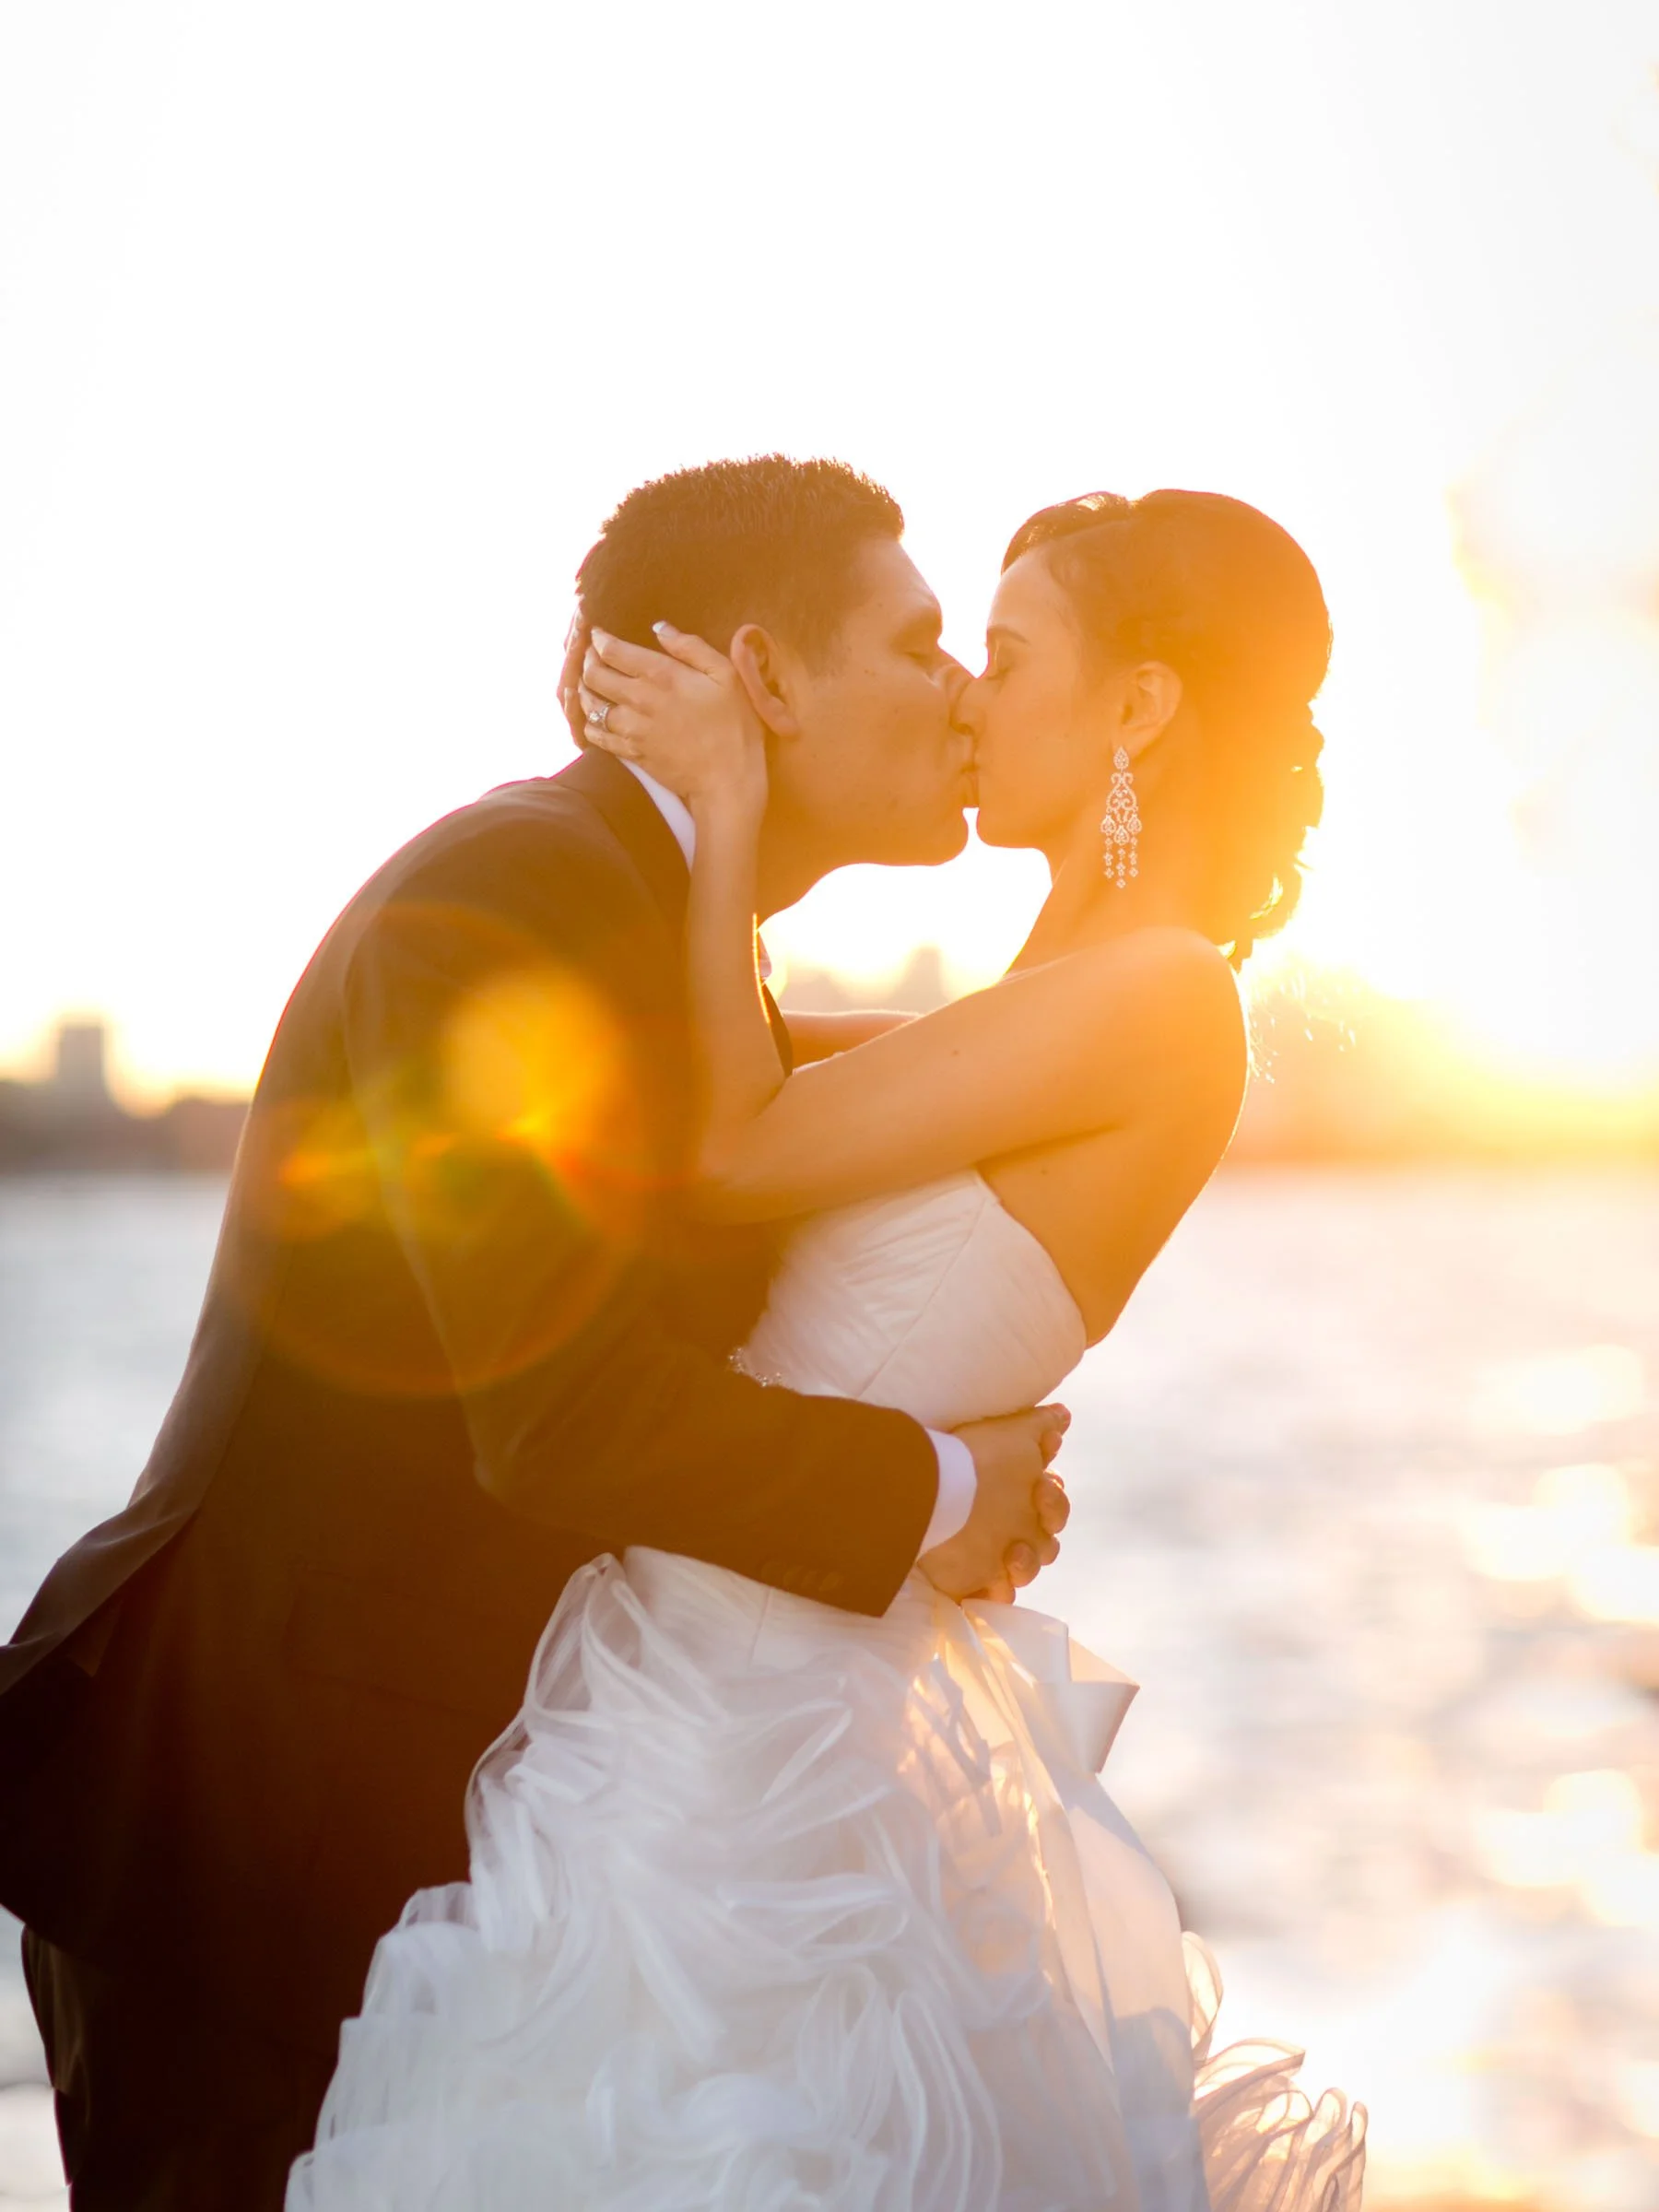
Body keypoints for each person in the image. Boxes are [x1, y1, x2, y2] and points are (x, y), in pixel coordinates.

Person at [0, 455, 1071, 2210]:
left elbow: (768, 1113)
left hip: (434, 1814)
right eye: (919, 639)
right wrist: (951, 1487)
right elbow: (560, 1417)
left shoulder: (642, 922)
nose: (958, 690)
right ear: (764, 676)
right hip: (248, 1833)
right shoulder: (514, 897)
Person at [289, 488, 1367, 2207]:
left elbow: (735, 1147)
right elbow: (736, 1089)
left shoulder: (1161, 997)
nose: (963, 696)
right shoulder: (1048, 1007)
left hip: (773, 1743)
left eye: (1000, 656)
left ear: (1140, 709)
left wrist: (724, 804)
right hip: (706, 1686)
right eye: (947, 652)